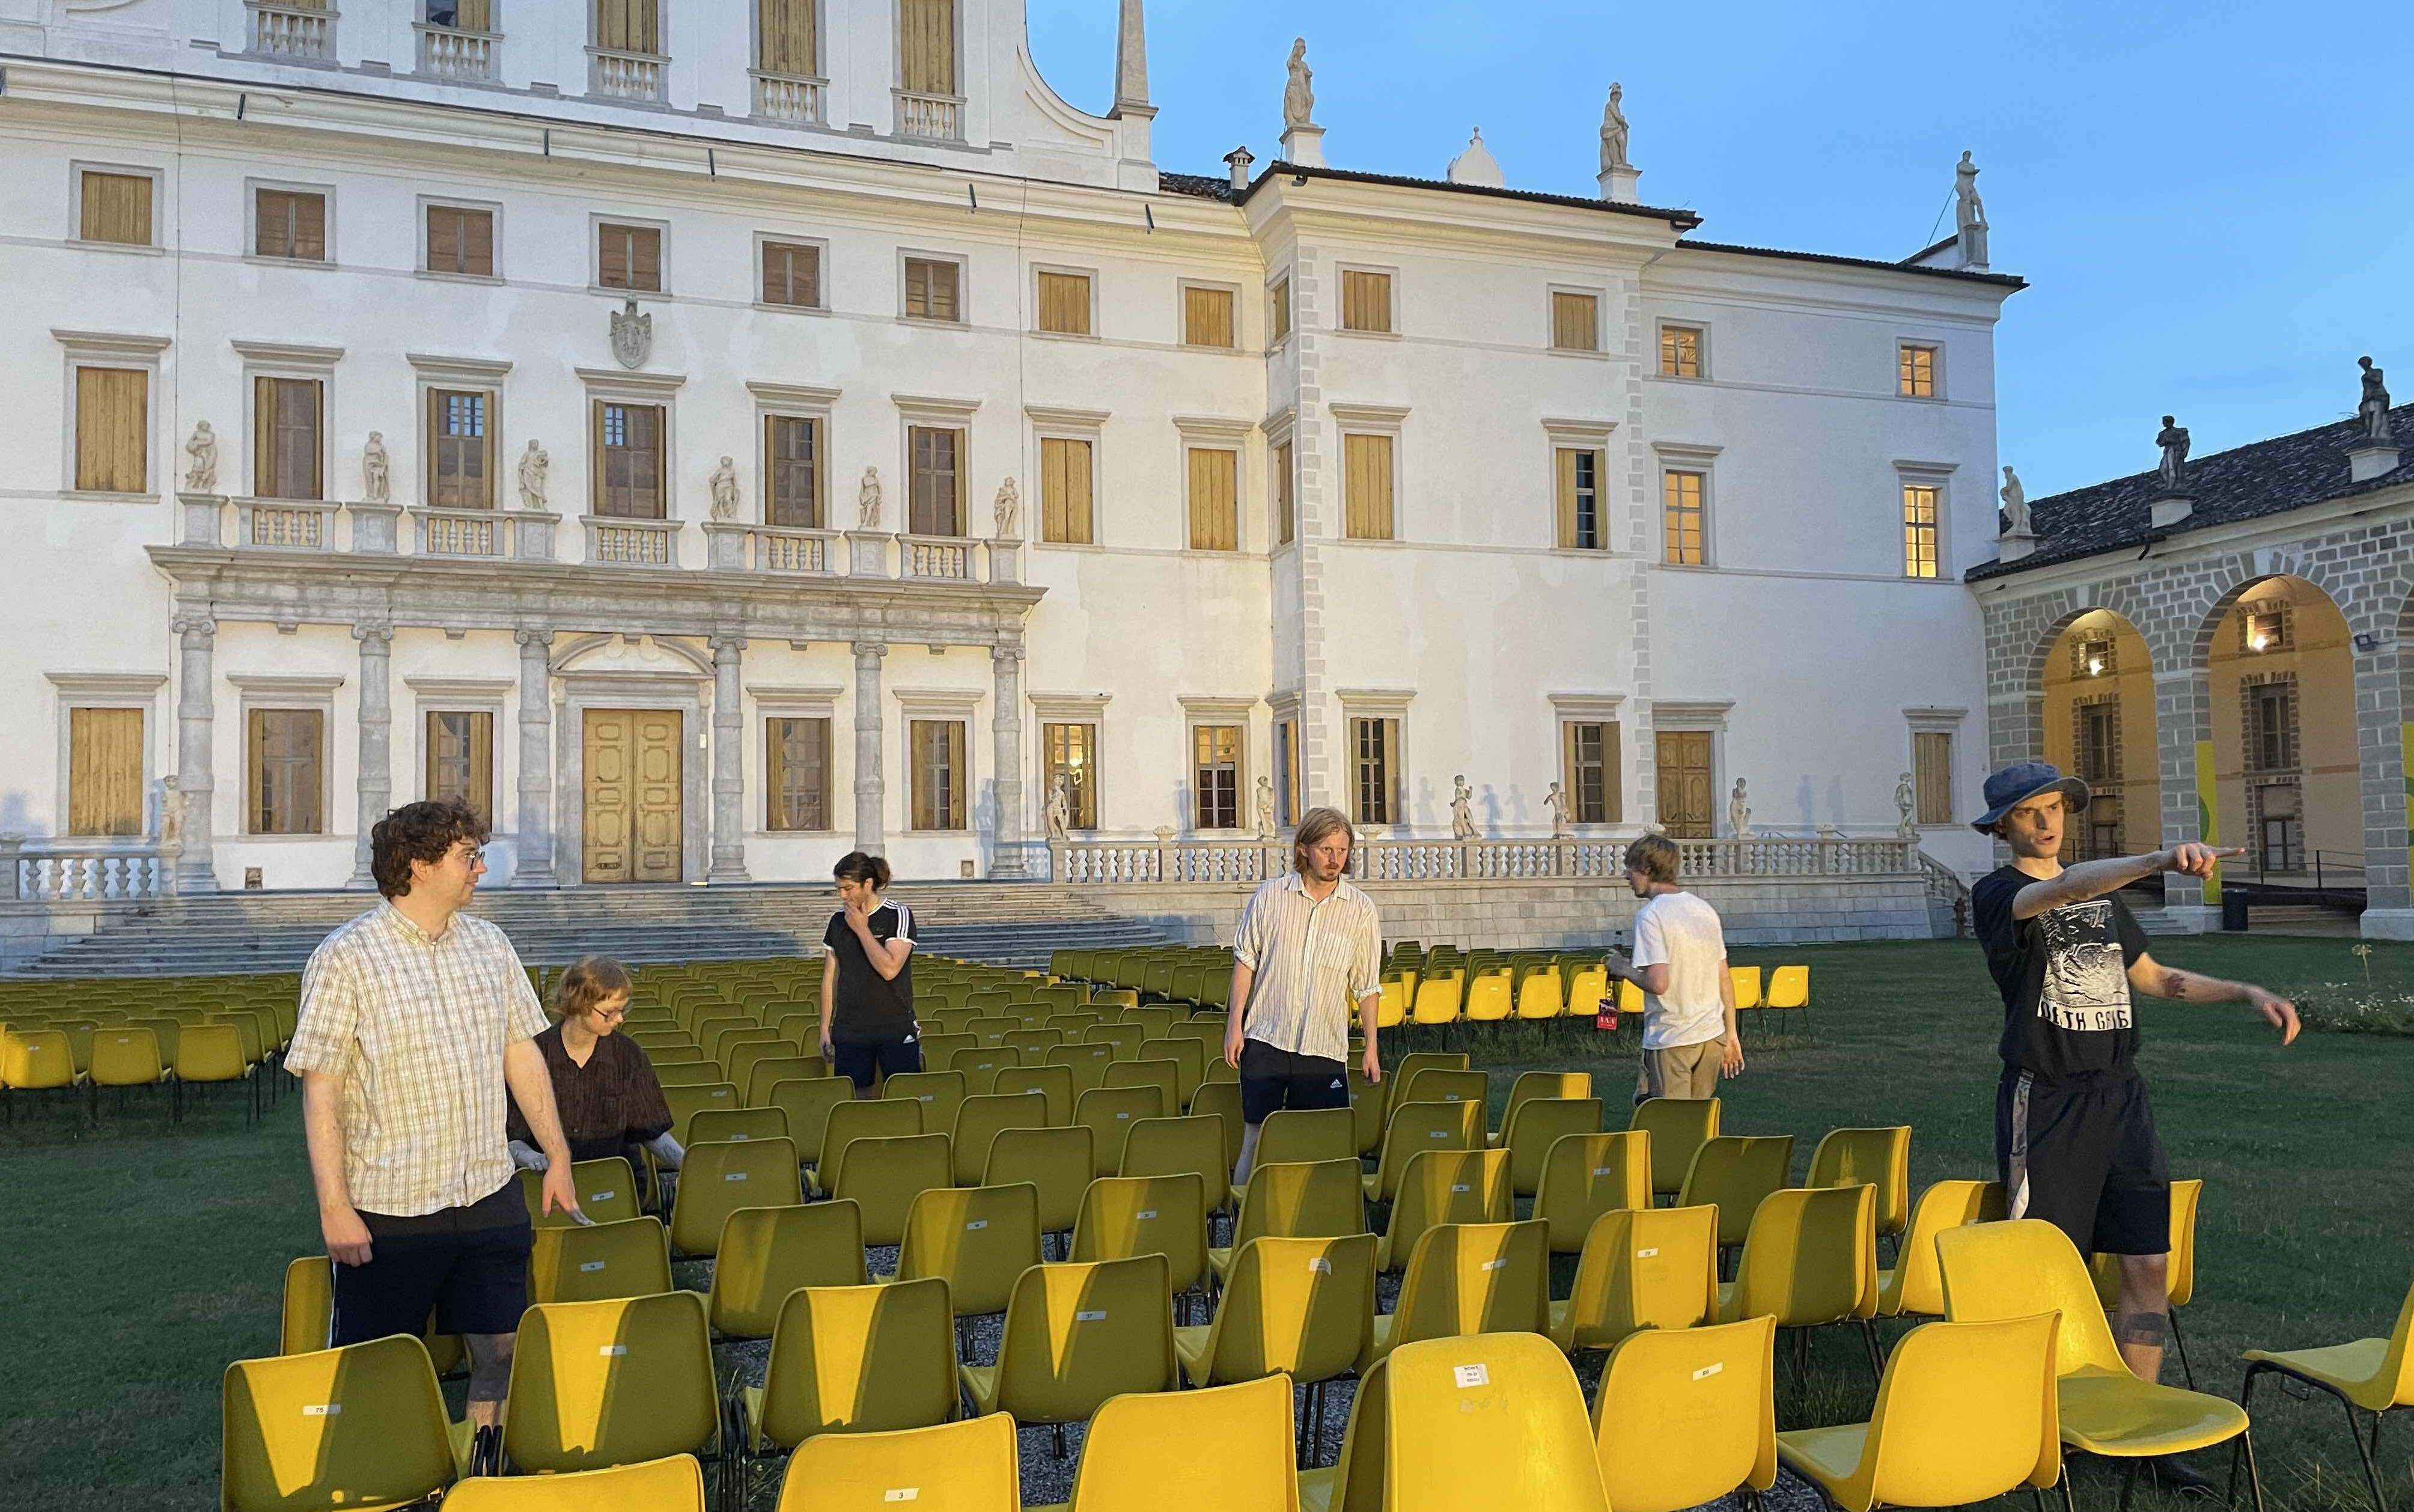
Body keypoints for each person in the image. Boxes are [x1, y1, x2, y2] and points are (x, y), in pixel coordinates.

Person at [1970, 760, 2297, 1401]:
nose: (2046, 821)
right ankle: (2042, 1418)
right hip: (2048, 1100)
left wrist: (2243, 990)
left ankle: (2139, 1411)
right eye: (2029, 810)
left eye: (2056, 807)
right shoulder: (1996, 894)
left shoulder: (2105, 898)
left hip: (2122, 1097)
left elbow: (2150, 975)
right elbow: (2063, 891)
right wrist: (2163, 858)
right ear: (2004, 824)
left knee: (2148, 1262)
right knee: (2050, 1268)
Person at [285, 799, 579, 1431]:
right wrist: (334, 1205)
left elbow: (521, 1054)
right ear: (418, 864)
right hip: (390, 1204)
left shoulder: (491, 945)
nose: (481, 867)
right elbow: (323, 1090)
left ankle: (482, 1473)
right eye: (468, 855)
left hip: (487, 1189)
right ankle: (389, 1483)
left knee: (501, 1349)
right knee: (380, 1366)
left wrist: (557, 1154)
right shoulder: (346, 957)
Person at [1223, 806, 1383, 1186]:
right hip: (1266, 1039)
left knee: (1320, 1144)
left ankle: (1312, 1220)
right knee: (1256, 1138)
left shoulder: (1360, 910)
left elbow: (1367, 985)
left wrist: (1371, 1046)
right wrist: (1235, 1026)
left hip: (1324, 1045)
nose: (1335, 859)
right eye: (1327, 849)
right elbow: (1245, 962)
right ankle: (1244, 1222)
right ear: (1305, 849)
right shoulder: (1269, 896)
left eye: (1342, 851)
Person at [506, 954, 681, 1175]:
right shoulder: (532, 1055)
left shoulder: (629, 1054)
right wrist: (534, 1158)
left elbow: (651, 1131)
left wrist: (686, 1163)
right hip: (546, 1185)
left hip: (615, 1183)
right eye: (610, 1012)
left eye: (622, 1010)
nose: (620, 1019)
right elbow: (512, 1140)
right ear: (580, 1004)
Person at [1602, 833, 1743, 1103]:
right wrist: (1732, 1035)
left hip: (1672, 1036)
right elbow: (1724, 977)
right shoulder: (1704, 910)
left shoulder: (1651, 915)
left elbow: (1658, 983)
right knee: (1698, 1124)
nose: (1626, 878)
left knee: (1670, 1127)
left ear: (1646, 870)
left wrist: (1623, 968)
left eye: (1629, 871)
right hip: (1711, 1036)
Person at [820, 851, 921, 1097]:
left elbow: (890, 969)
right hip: (850, 1029)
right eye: (839, 889)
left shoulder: (897, 915)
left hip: (894, 1025)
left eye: (848, 888)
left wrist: (863, 931)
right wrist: (825, 1027)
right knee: (856, 1101)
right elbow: (830, 978)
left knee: (904, 1098)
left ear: (868, 884)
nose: (843, 896)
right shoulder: (837, 922)